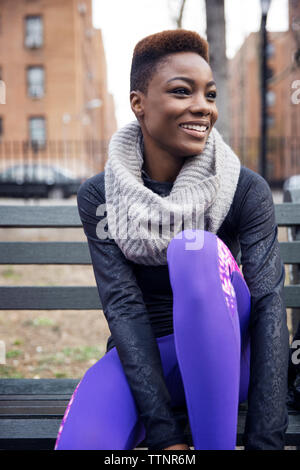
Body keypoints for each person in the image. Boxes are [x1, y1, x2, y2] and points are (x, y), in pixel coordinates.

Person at [54, 29, 289, 451]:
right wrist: (165, 437)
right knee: (84, 442)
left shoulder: (243, 189)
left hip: (230, 359)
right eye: (183, 91)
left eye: (210, 94)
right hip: (145, 361)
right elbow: (123, 307)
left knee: (192, 249)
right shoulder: (100, 196)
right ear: (138, 104)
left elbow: (270, 307)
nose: (202, 107)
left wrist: (265, 441)